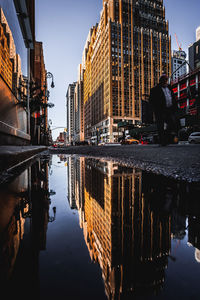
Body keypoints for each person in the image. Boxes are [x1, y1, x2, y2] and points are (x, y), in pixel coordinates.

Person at [149, 74, 180, 146]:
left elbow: (172, 97)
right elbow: (151, 101)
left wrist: (175, 107)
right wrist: (156, 109)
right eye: (165, 79)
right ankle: (162, 141)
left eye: (167, 79)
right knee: (160, 126)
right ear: (161, 81)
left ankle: (165, 138)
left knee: (172, 124)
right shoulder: (154, 89)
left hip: (169, 109)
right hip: (160, 110)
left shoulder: (169, 87)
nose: (166, 81)